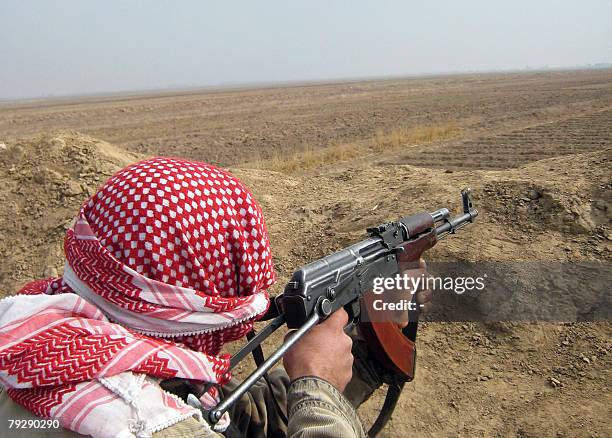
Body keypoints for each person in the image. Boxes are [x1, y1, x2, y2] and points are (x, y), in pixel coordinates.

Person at [0, 157, 430, 438]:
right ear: (183, 302)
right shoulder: (141, 421)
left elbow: (233, 410)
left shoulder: (39, 334)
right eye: (226, 278)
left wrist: (361, 348)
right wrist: (316, 387)